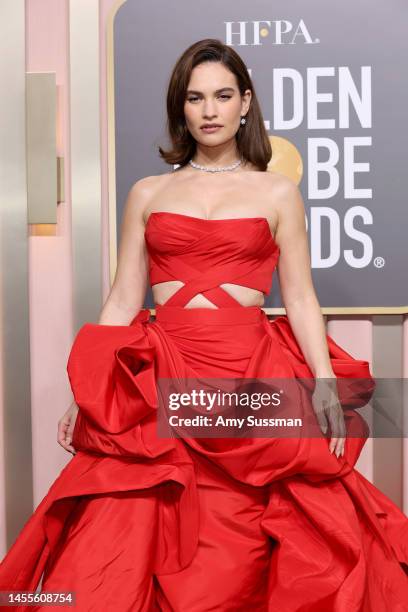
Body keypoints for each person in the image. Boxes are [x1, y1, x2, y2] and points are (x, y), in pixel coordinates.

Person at [1, 38, 407, 612]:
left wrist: (322, 382)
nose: (209, 110)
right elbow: (122, 298)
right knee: (129, 533)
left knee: (246, 543)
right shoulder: (148, 192)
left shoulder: (277, 192)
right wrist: (92, 392)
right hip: (164, 369)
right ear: (180, 107)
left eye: (222, 96)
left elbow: (299, 297)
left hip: (248, 376)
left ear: (246, 103)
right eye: (195, 98)